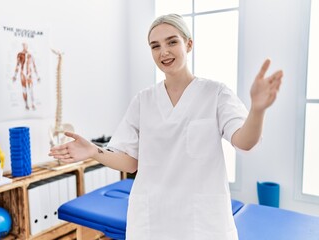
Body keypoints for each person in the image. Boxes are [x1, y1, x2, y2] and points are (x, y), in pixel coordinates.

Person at [49, 14, 283, 240]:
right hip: (153, 218)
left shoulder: (216, 93)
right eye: (155, 46)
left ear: (188, 44)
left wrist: (257, 109)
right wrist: (93, 152)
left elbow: (245, 142)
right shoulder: (144, 100)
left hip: (201, 220)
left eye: (172, 42)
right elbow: (130, 161)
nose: (164, 52)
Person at [12, 42, 40, 110]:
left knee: (31, 90)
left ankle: (32, 104)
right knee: (24, 90)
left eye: (26, 45)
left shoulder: (30, 55)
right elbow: (18, 65)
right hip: (22, 74)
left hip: (29, 74)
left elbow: (34, 66)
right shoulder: (20, 54)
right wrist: (15, 76)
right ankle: (26, 104)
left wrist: (37, 76)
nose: (25, 47)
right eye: (24, 45)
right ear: (22, 46)